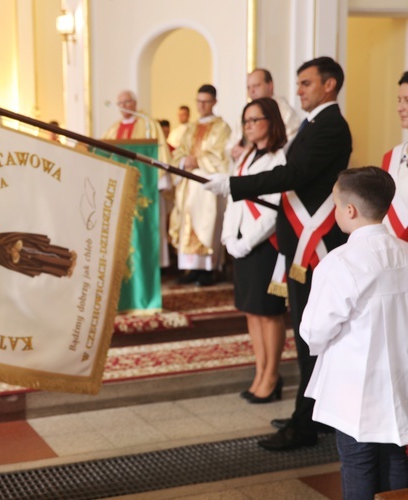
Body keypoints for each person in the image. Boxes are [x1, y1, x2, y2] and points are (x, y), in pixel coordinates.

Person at [203, 56, 352, 450]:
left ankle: (304, 426)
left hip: (315, 250)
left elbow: (292, 176)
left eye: (306, 83)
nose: (298, 90)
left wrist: (235, 185)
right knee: (307, 334)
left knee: (311, 337)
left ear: (329, 85)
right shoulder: (314, 125)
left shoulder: (330, 126)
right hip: (303, 250)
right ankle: (315, 415)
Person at [300, 167, 408, 499]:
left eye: (335, 205)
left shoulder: (340, 262)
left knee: (358, 463)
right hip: (401, 378)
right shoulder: (405, 252)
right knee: (396, 459)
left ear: (350, 210)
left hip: (355, 386)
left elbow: (314, 331)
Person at [221, 98, 288, 404]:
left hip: (265, 245)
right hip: (241, 244)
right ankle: (259, 371)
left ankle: (272, 375)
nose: (248, 126)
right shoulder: (246, 155)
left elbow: (274, 209)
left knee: (268, 312)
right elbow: (235, 199)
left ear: (270, 122)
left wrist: (248, 240)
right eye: (245, 121)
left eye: (254, 120)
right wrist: (228, 237)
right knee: (250, 310)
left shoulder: (279, 158)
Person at [169, 84, 231, 286]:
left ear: (214, 102)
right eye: (199, 101)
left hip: (207, 184)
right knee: (187, 222)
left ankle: (208, 269)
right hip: (189, 184)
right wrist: (183, 161)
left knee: (207, 223)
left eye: (206, 101)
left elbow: (222, 155)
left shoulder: (222, 128)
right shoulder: (190, 128)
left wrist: (199, 160)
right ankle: (191, 269)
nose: (202, 106)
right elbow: (179, 152)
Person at [103, 90, 172, 268]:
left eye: (127, 102)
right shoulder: (113, 130)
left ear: (135, 103)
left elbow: (160, 151)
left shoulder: (149, 125)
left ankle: (153, 264)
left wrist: (160, 181)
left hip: (145, 185)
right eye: (120, 103)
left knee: (148, 226)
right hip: (123, 187)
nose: (124, 107)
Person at [230, 69, 300, 163]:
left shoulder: (284, 112)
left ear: (270, 86)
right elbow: (232, 144)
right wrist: (234, 152)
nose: (252, 91)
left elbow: (289, 145)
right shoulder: (247, 112)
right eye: (249, 87)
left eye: (256, 86)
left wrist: (250, 153)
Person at [0, 231, 77, 278]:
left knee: (47, 249)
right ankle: (66, 269)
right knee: (43, 262)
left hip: (26, 245)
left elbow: (13, 235)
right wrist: (14, 257)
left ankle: (68, 255)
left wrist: (18, 243)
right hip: (24, 259)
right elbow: (5, 263)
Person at [380, 71, 408, 241]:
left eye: (407, 100)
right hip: (393, 253)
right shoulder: (392, 156)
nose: (400, 108)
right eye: (399, 100)